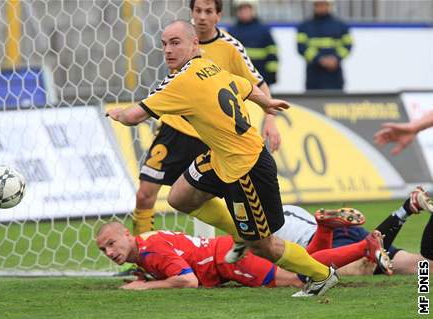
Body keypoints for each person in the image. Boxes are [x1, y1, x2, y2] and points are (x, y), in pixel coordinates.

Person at [106, 20, 338, 297]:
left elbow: (133, 117)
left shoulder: (181, 83)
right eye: (164, 44)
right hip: (220, 157)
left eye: (175, 42)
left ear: (195, 44)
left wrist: (117, 113)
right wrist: (267, 103)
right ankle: (238, 233)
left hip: (246, 167)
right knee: (179, 197)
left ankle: (322, 275)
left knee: (264, 246)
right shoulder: (210, 68)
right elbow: (243, 86)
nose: (168, 50)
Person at [131, 0, 280, 238]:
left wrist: (270, 120)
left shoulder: (231, 47)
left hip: (211, 135)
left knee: (208, 198)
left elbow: (257, 84)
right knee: (144, 194)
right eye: (197, 11)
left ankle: (239, 239)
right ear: (191, 13)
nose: (202, 17)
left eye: (208, 11)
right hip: (175, 128)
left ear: (218, 15)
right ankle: (140, 255)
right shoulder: (180, 39)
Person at [96, 220, 386, 290]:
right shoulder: (145, 248)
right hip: (227, 250)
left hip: (229, 261)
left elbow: (187, 281)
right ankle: (326, 230)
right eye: (103, 249)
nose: (109, 252)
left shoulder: (150, 250)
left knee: (301, 278)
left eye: (111, 243)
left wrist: (144, 286)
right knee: (302, 263)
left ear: (126, 234)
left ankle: (363, 248)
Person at [274, 187, 433, 275]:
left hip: (322, 245)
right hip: (346, 230)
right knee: (424, 266)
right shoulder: (289, 209)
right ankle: (405, 210)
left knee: (365, 266)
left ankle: (370, 245)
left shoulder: (256, 229)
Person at [296, 0, 352, 90]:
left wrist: (336, 58)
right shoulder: (304, 27)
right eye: (318, 4)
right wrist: (320, 59)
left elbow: (347, 46)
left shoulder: (341, 26)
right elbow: (301, 47)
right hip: (313, 75)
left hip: (335, 75)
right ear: (314, 6)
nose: (321, 7)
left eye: (324, 4)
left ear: (329, 6)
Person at [228, 0, 278, 85]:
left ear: (253, 10)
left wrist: (272, 74)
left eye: (246, 8)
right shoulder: (232, 31)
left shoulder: (263, 30)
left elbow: (272, 53)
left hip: (261, 77)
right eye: (241, 9)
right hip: (239, 79)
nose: (244, 11)